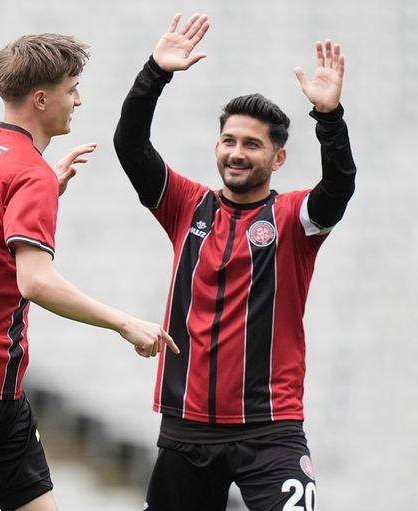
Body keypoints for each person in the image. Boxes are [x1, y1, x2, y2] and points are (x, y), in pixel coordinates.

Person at [0, 33, 178, 511]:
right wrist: (123, 322)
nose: (78, 100)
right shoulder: (31, 173)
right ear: (41, 99)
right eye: (71, 89)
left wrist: (30, 201)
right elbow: (35, 281)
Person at [113, 13, 357, 510]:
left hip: (271, 430)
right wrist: (155, 74)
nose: (237, 153)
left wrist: (329, 118)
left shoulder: (294, 219)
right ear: (216, 147)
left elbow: (338, 188)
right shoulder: (186, 205)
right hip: (187, 429)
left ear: (278, 158)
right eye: (229, 141)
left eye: (252, 144)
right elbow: (130, 145)